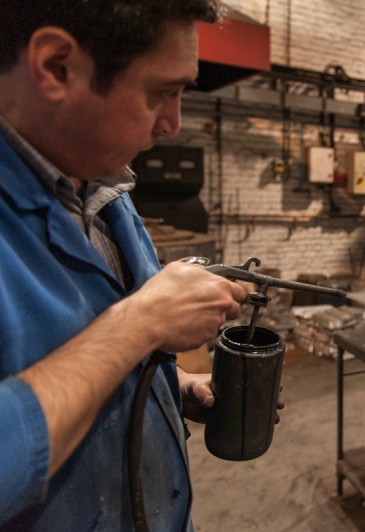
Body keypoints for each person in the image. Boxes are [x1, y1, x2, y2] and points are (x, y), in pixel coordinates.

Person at [0, 1, 261, 529]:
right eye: (161, 93)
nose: (174, 123)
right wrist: (140, 321)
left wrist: (175, 388)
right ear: (56, 66)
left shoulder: (106, 192)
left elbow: (92, 366)